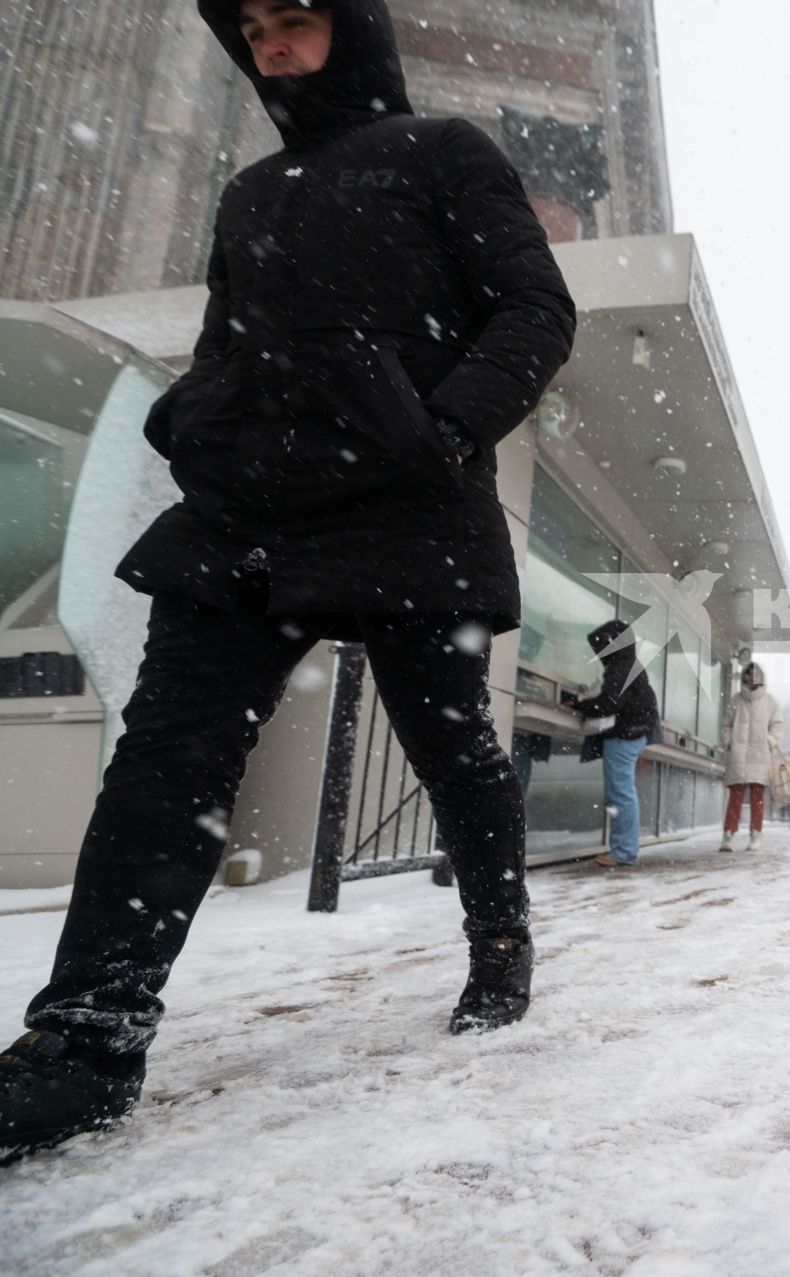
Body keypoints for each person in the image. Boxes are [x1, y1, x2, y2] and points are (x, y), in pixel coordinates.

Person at [0, 0, 575, 1165]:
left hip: (407, 510)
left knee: (453, 751)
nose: (270, 42)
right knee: (167, 757)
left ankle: (498, 942)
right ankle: (85, 1040)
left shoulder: (443, 151)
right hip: (246, 514)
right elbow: (228, 340)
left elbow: (536, 309)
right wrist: (192, 419)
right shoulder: (251, 191)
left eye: (296, 18)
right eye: (253, 24)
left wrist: (441, 434)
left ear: (349, 28)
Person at [577, 621, 659, 869]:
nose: (599, 654)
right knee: (623, 793)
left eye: (602, 647)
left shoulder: (620, 667)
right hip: (634, 734)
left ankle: (623, 851)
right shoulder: (630, 665)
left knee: (620, 794)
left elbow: (608, 704)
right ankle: (624, 849)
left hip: (625, 736)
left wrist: (576, 703)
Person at [718, 662, 782, 853]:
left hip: (760, 755)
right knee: (735, 797)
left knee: (757, 797)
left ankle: (755, 835)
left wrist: (769, 741)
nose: (751, 678)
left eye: (755, 675)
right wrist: (729, 742)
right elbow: (726, 724)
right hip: (738, 755)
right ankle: (728, 835)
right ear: (744, 677)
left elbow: (777, 726)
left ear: (761, 677)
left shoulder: (770, 701)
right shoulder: (736, 700)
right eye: (748, 674)